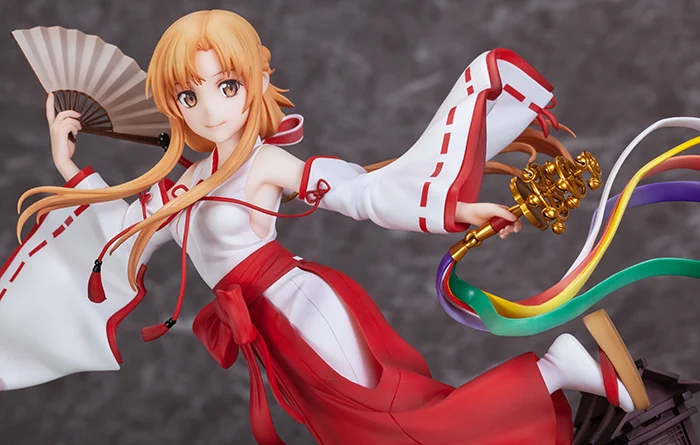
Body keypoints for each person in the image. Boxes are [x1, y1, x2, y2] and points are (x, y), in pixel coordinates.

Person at [1, 9, 638, 445]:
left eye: (226, 86)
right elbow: (119, 230)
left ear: (257, 82)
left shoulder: (263, 163)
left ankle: (553, 372)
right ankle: (553, 373)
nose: (210, 108)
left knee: (392, 425)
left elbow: (359, 192)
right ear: (173, 106)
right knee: (356, 433)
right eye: (189, 96)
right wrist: (68, 166)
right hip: (269, 332)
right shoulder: (182, 186)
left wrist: (457, 210)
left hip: (301, 308)